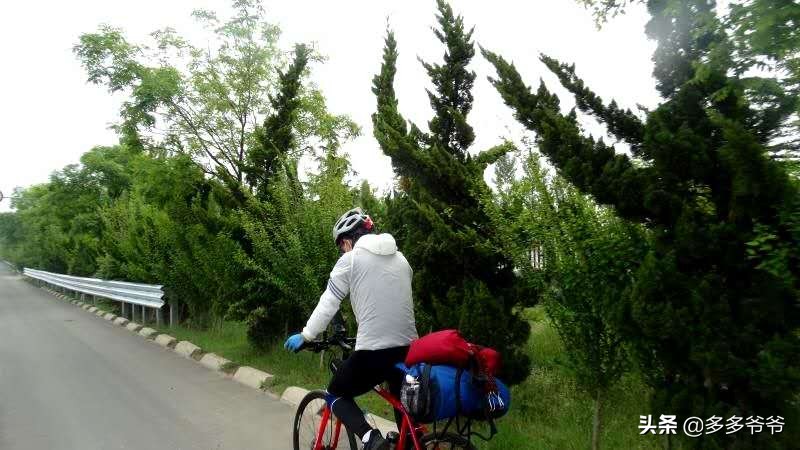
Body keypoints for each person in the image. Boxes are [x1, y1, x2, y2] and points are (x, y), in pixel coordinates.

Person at [284, 207, 418, 450]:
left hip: (374, 352)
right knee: (403, 404)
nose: (342, 251)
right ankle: (411, 441)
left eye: (341, 247)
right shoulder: (401, 259)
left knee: (334, 392)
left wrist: (306, 335)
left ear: (347, 241)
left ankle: (371, 439)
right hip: (410, 349)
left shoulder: (350, 259)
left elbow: (328, 303)